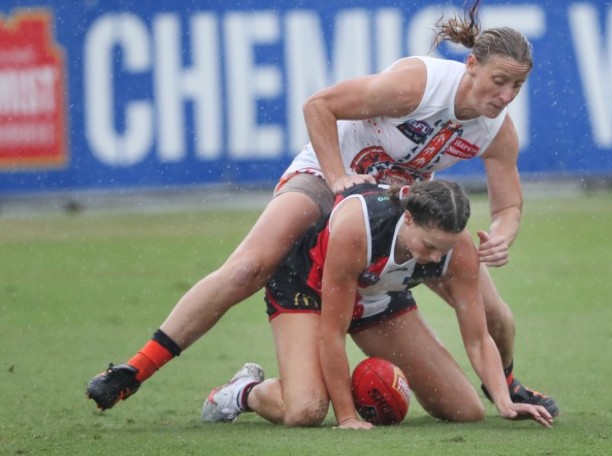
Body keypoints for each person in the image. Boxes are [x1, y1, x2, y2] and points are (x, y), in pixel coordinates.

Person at [86, 0, 557, 417]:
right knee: (252, 264)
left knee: (493, 313)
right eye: (500, 81)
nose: (506, 96)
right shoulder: (419, 85)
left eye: (516, 86)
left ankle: (509, 386)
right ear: (471, 65)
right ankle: (136, 367)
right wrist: (338, 181)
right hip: (328, 176)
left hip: (397, 214)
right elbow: (319, 106)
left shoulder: (496, 130)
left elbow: (509, 203)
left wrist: (502, 233)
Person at [200, 181, 553, 429]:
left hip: (376, 293)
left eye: (442, 250)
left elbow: (477, 338)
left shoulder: (458, 251)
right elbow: (332, 333)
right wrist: (347, 416)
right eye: (429, 246)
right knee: (306, 410)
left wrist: (504, 400)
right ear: (410, 218)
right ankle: (241, 393)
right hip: (308, 290)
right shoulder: (359, 228)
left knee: (466, 410)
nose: (433, 259)